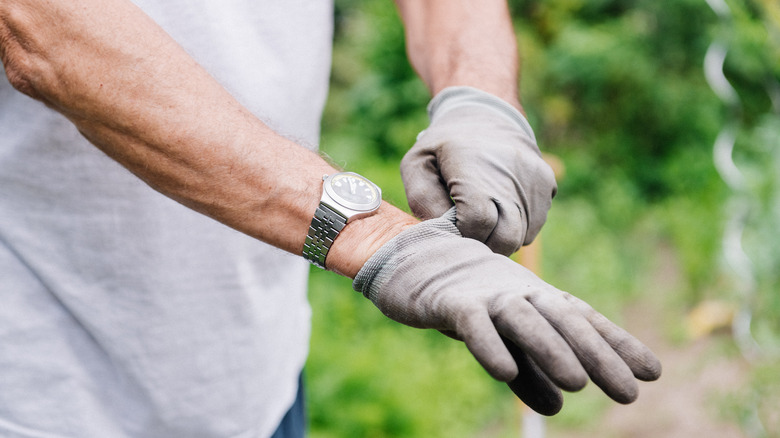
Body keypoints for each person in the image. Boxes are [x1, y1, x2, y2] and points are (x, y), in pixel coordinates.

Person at [0, 1, 661, 437]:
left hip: (263, 374)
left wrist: (479, 95)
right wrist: (372, 235)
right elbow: (46, 32)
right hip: (50, 391)